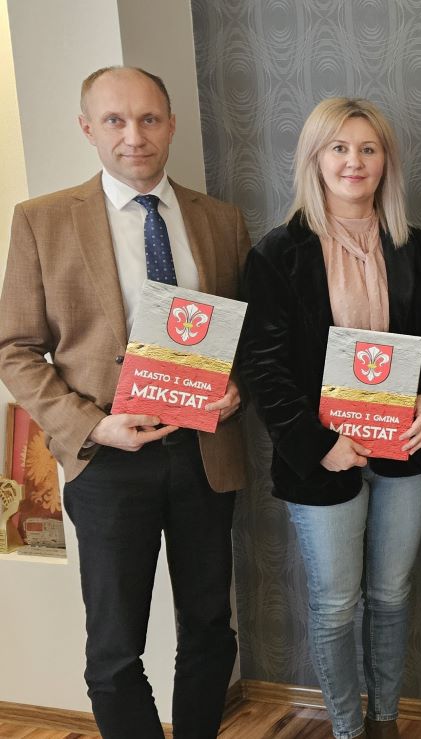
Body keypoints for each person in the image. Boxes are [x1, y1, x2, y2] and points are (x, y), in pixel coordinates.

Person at [0, 66, 248, 738]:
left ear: (170, 124)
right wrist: (95, 425)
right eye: (114, 120)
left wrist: (236, 387)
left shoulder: (220, 220)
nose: (133, 136)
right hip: (106, 463)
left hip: (204, 456)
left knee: (209, 632)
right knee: (113, 650)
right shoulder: (42, 220)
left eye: (147, 119)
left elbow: (246, 336)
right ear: (87, 128)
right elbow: (15, 349)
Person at [238, 97, 421, 739]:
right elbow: (263, 368)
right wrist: (318, 444)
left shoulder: (416, 248)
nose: (354, 162)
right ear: (315, 158)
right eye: (339, 148)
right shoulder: (279, 253)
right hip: (321, 458)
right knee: (334, 606)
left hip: (402, 451)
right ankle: (348, 730)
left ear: (386, 161)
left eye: (368, 149)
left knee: (390, 596)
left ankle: (385, 721)